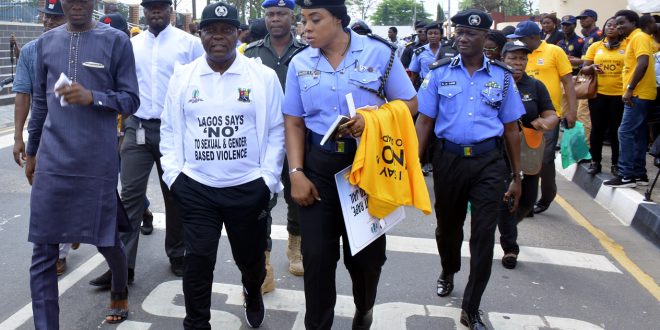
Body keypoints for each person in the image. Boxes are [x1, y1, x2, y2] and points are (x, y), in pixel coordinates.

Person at [282, 0, 417, 327]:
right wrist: (296, 172)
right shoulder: (300, 62)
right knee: (316, 258)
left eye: (315, 20)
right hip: (319, 167)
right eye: (303, 21)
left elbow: (409, 103)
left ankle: (365, 306)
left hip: (366, 168)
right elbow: (294, 121)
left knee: (367, 261)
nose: (306, 28)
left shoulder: (379, 53)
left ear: (339, 20)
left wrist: (372, 119)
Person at [160, 3, 285, 328]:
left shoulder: (262, 77)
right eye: (210, 30)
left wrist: (267, 179)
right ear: (199, 34)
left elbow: (275, 129)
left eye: (226, 30)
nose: (218, 37)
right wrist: (175, 177)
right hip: (197, 189)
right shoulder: (183, 77)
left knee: (251, 260)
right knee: (198, 262)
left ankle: (252, 290)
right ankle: (196, 322)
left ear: (238, 34)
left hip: (248, 188)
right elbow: (170, 128)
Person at [26, 0, 140, 325]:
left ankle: (119, 287)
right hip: (52, 161)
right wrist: (32, 151)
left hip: (96, 162)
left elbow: (131, 99)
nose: (76, 4)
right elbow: (39, 102)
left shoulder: (116, 41)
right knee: (44, 249)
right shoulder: (45, 43)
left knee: (106, 239)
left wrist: (95, 97)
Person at [416, 9, 524, 330]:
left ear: (485, 39)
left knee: (483, 235)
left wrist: (516, 178)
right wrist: (412, 167)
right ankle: (448, 269)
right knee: (448, 228)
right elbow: (424, 121)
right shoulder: (437, 73)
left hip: (489, 162)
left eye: (471, 34)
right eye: (460, 32)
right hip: (447, 161)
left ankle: (471, 307)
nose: (463, 38)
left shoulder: (502, 77)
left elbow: (512, 130)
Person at [89, 0, 204, 288]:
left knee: (175, 195)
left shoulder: (189, 44)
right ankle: (122, 267)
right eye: (150, 7)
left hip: (174, 131)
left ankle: (178, 254)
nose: (155, 11)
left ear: (170, 11)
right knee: (129, 197)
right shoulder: (132, 44)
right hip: (136, 127)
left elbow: (203, 82)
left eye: (160, 7)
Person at [244, 0, 307, 294]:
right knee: (260, 202)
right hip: (263, 141)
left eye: (281, 13)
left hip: (297, 138)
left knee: (298, 197)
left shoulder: (307, 53)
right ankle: (263, 264)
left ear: (291, 16)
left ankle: (295, 247)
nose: (275, 19)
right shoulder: (251, 52)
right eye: (270, 14)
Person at [12, 0, 77, 277]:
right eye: (46, 17)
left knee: (80, 194)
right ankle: (57, 251)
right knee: (49, 194)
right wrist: (19, 137)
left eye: (56, 17)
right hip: (46, 135)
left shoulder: (78, 46)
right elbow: (24, 96)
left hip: (80, 134)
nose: (49, 22)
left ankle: (76, 225)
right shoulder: (30, 51)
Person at [497, 41, 558, 269]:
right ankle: (510, 248)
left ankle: (509, 223)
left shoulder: (536, 86)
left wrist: (546, 122)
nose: (518, 63)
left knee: (528, 200)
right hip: (497, 151)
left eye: (522, 58)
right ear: (502, 58)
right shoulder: (495, 82)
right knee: (508, 200)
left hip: (526, 152)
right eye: (513, 58)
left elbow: (551, 113)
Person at [507, 21, 577, 215]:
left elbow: (568, 82)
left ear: (532, 38)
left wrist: (572, 110)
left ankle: (546, 196)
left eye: (520, 38)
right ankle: (522, 197)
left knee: (543, 160)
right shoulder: (515, 56)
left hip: (546, 117)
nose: (518, 60)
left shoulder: (555, 51)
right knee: (518, 159)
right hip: (519, 118)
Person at [604, 11, 657, 187]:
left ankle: (625, 175)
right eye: (616, 24)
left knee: (624, 132)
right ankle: (639, 174)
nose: (618, 27)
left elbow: (643, 63)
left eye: (622, 23)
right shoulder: (634, 39)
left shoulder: (639, 37)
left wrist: (630, 88)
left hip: (638, 94)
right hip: (640, 93)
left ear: (634, 23)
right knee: (639, 134)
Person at [581, 17, 625, 176]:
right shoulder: (595, 46)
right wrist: (591, 67)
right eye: (609, 25)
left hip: (619, 95)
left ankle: (616, 164)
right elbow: (584, 69)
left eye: (615, 25)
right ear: (604, 28)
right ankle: (595, 161)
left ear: (620, 29)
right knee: (597, 129)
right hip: (598, 94)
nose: (611, 27)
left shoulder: (627, 46)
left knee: (616, 131)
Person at [409, 22, 444, 87]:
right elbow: (414, 73)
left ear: (441, 35)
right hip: (425, 83)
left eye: (436, 33)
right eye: (430, 33)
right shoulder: (419, 52)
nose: (433, 36)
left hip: (443, 83)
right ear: (427, 35)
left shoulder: (447, 50)